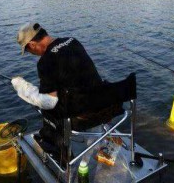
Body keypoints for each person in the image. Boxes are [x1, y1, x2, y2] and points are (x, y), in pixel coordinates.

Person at [11, 22, 108, 163]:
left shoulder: (45, 62)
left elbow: (48, 102)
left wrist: (22, 87)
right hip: (105, 104)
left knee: (47, 108)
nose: (30, 54)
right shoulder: (72, 41)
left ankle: (62, 155)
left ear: (32, 44)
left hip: (84, 117)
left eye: (27, 50)